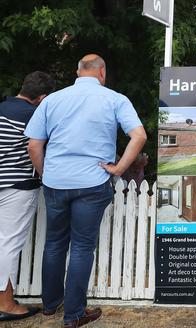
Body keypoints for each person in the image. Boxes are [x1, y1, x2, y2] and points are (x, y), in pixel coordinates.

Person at [25, 55, 147, 328]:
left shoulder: (52, 100)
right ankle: (74, 315)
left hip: (56, 182)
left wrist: (46, 173)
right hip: (92, 182)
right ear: (102, 72)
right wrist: (118, 169)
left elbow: (34, 145)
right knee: (81, 247)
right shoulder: (115, 99)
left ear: (77, 72)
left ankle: (50, 304)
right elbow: (139, 135)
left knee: (54, 243)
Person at [0, 71, 56, 322]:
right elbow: (37, 147)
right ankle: (5, 304)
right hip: (18, 184)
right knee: (9, 245)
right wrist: (45, 175)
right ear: (42, 97)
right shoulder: (33, 115)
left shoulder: (2, 108)